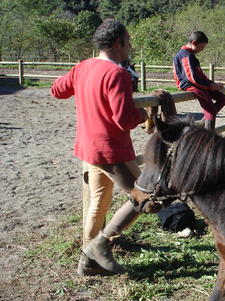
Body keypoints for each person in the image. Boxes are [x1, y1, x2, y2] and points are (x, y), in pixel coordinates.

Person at [51, 20, 149, 276]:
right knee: (146, 199)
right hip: (111, 151)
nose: (130, 46)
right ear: (117, 43)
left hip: (88, 148)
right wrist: (144, 113)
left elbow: (57, 90)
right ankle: (98, 247)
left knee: (99, 202)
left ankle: (88, 262)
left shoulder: (84, 66)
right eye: (128, 41)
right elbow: (124, 119)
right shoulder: (117, 74)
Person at [173, 31, 225, 131]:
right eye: (201, 47)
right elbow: (191, 78)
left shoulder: (191, 56)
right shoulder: (185, 56)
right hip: (188, 85)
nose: (202, 50)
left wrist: (212, 83)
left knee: (222, 99)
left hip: (198, 84)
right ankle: (208, 137)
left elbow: (200, 75)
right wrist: (210, 86)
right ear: (193, 43)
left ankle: (200, 126)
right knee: (210, 111)